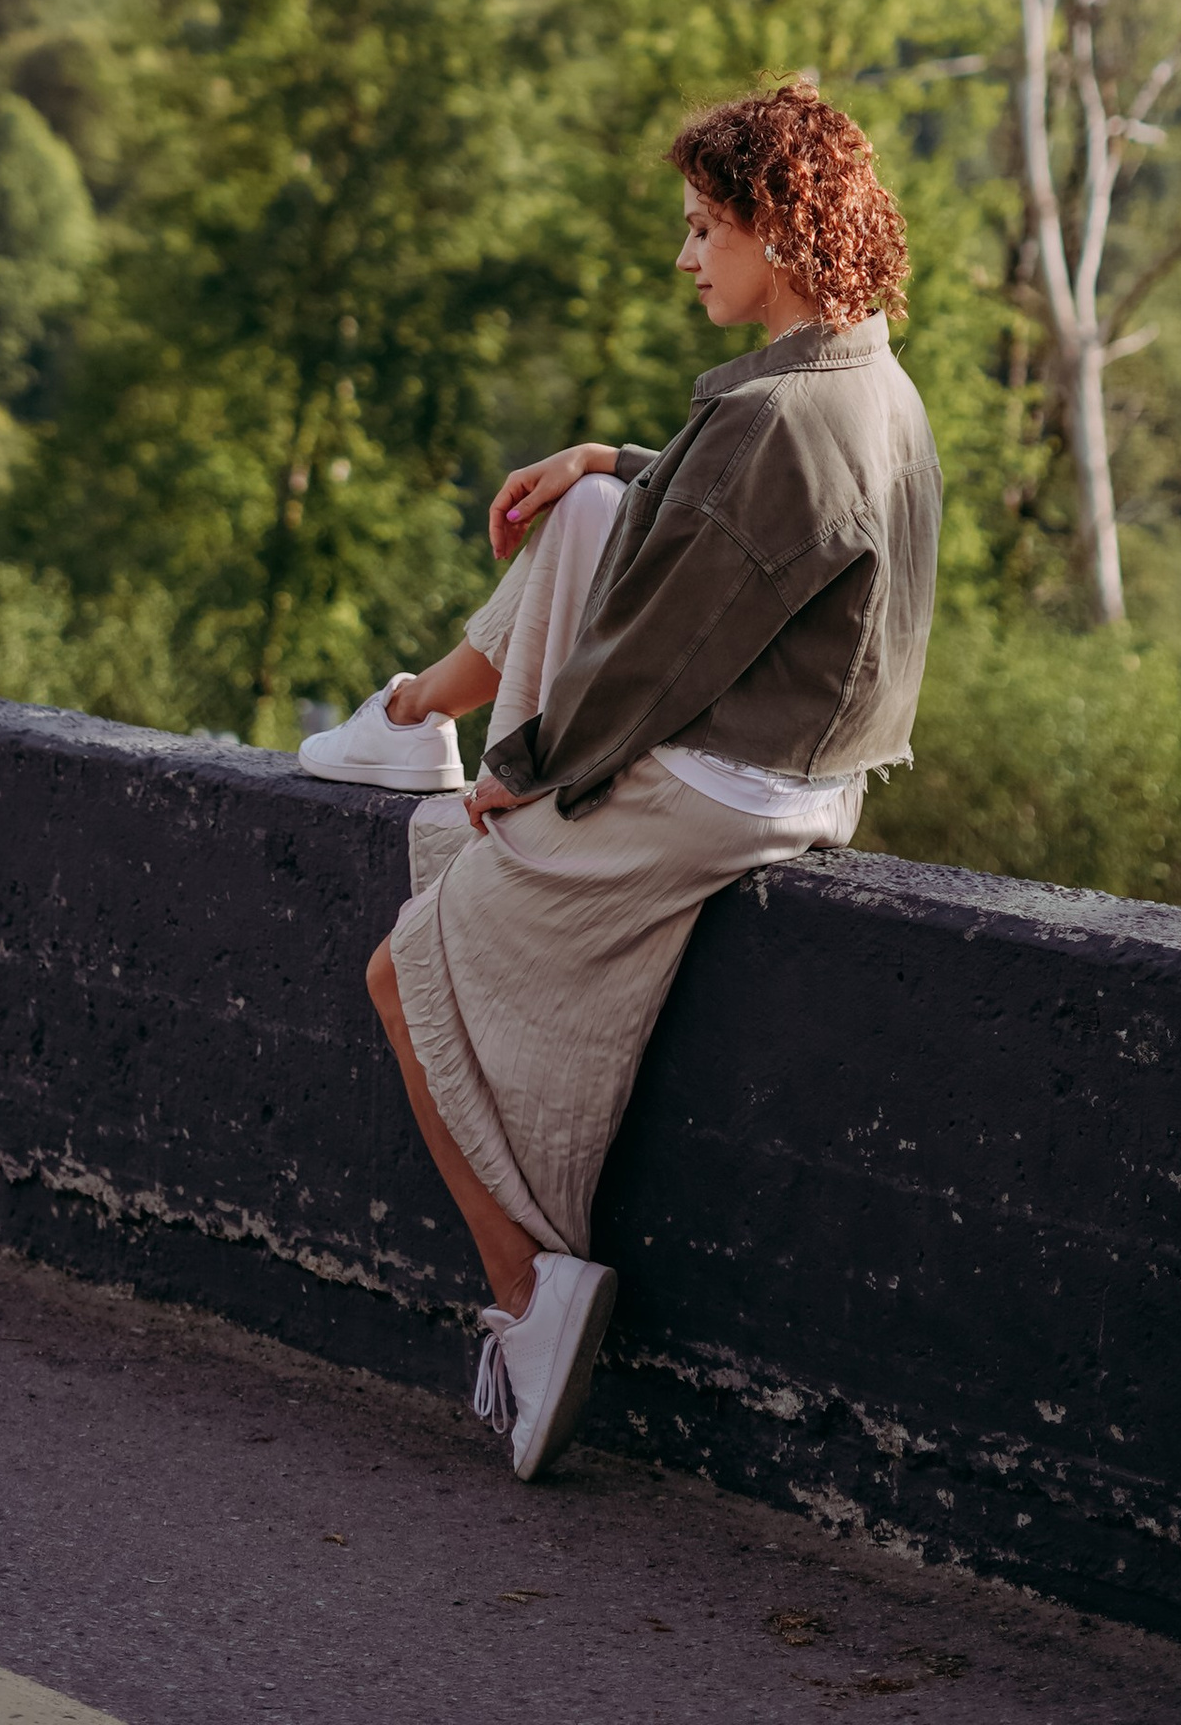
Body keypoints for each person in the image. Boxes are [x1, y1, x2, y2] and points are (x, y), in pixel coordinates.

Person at [342, 81, 941, 1482]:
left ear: (779, 233)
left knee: (403, 974)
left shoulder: (784, 429)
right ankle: (415, 708)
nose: (686, 259)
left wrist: (532, 777)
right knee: (599, 511)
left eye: (704, 230)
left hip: (733, 780)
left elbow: (661, 654)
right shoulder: (858, 367)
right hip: (793, 759)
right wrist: (608, 460)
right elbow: (723, 515)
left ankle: (531, 1299)